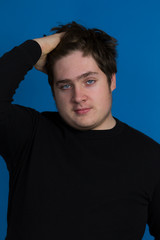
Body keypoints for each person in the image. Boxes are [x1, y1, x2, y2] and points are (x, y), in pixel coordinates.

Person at [0, 21, 160, 240]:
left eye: (89, 81)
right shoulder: (30, 134)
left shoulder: (151, 158)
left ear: (111, 80)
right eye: (65, 85)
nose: (78, 97)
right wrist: (37, 47)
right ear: (53, 92)